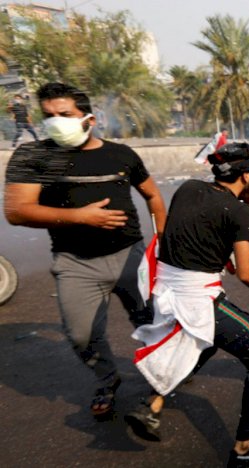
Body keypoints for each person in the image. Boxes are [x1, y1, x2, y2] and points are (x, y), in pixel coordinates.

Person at [126, 142, 249, 466]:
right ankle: (244, 449)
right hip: (198, 300)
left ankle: (152, 405)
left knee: (205, 344)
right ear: (246, 175)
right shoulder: (238, 212)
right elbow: (247, 273)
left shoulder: (188, 188)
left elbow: (192, 231)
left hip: (166, 290)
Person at [3, 82, 166, 418]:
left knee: (151, 321)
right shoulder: (32, 156)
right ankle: (107, 378)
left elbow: (152, 195)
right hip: (75, 262)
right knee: (81, 335)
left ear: (89, 119)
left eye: (64, 115)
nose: (54, 122)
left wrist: (162, 237)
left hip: (129, 255)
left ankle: (163, 377)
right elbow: (16, 211)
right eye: (48, 116)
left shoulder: (121, 154)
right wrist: (80, 217)